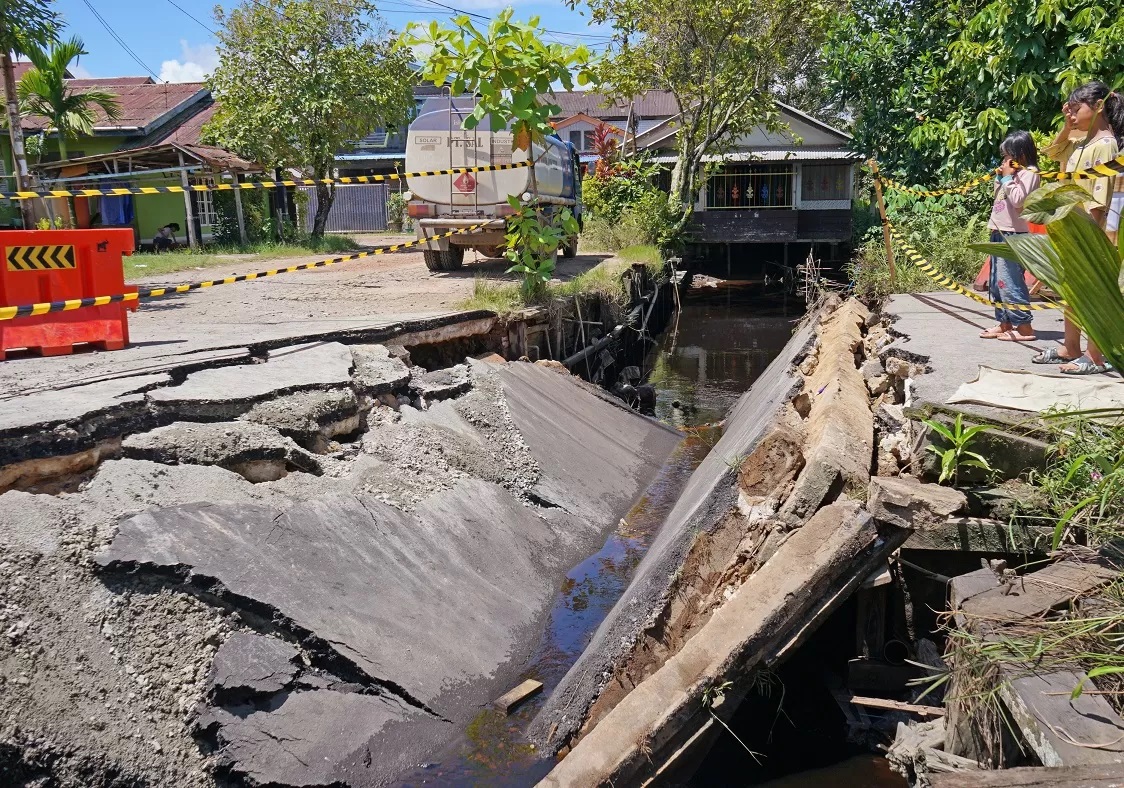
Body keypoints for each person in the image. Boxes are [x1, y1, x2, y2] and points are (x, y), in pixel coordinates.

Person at [1032, 81, 1123, 374]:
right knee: (1072, 291)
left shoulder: (1106, 144)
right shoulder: (1080, 141)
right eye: (1068, 110)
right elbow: (1054, 152)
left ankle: (1095, 355)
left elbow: (1099, 197)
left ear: (1098, 107)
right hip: (1070, 226)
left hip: (1090, 229)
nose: (1071, 115)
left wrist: (1091, 238)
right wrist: (1067, 121)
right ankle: (1070, 347)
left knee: (1094, 291)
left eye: (1076, 109)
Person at [980, 131, 1041, 342]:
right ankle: (1004, 322)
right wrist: (1001, 177)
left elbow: (1017, 200)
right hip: (999, 229)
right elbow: (1000, 196)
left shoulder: (1030, 174)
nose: (1005, 160)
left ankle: (1024, 326)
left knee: (1010, 280)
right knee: (997, 282)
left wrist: (1007, 177)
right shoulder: (1013, 175)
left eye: (1008, 156)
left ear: (1021, 154)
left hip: (1014, 233)